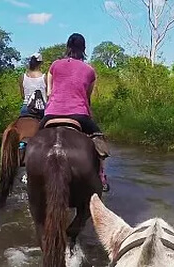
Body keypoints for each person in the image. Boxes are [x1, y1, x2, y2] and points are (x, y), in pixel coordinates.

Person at [40, 33, 110, 192]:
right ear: (84, 49)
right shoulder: (90, 70)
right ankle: (101, 176)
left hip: (51, 113)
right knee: (99, 141)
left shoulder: (54, 65)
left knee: (33, 140)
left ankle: (28, 173)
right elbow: (87, 97)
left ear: (67, 47)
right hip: (79, 114)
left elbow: (50, 92)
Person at [19, 52, 47, 118]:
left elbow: (23, 96)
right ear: (41, 63)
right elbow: (48, 95)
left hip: (26, 107)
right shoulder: (44, 77)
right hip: (42, 108)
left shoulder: (23, 77)